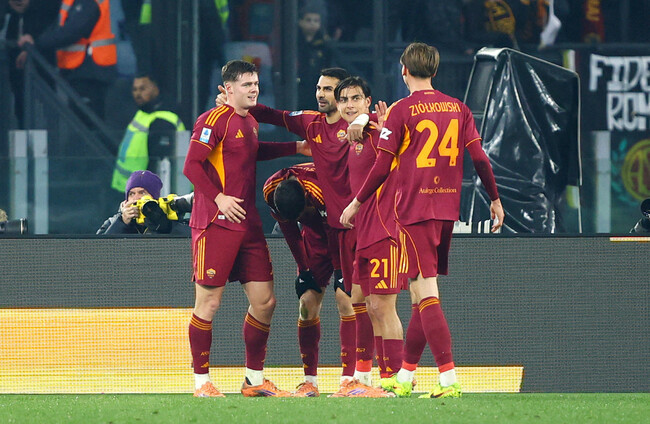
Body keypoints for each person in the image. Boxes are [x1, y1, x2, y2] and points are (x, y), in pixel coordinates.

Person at [340, 42, 505, 399]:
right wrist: (494, 198)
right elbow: (479, 158)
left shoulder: (402, 110)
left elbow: (381, 165)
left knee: (426, 292)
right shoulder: (458, 108)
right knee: (419, 295)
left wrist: (355, 203)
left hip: (415, 211)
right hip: (446, 210)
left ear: (404, 70)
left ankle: (448, 379)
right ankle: (405, 375)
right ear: (435, 69)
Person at [216, 67, 389, 397]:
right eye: (319, 88)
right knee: (308, 302)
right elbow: (273, 115)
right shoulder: (311, 124)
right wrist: (233, 102)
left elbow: (387, 133)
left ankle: (356, 378)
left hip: (356, 224)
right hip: (328, 229)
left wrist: (364, 119)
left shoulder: (360, 127)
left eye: (329, 90)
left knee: (353, 301)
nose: (321, 94)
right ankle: (311, 381)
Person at [183, 59, 310, 398]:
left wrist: (296, 148)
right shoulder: (211, 120)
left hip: (248, 223)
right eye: (246, 84)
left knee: (265, 302)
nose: (254, 89)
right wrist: (219, 198)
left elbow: (251, 152)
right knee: (208, 303)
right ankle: (201, 383)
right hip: (215, 223)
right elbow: (191, 165)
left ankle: (253, 380)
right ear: (228, 89)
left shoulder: (250, 121)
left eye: (255, 83)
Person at [334, 76, 410, 389]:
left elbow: (396, 143)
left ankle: (395, 381)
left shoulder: (380, 131)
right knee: (360, 302)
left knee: (383, 307)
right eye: (344, 100)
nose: (349, 105)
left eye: (356, 99)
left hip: (386, 230)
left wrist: (371, 119)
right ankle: (367, 379)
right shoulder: (353, 138)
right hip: (364, 233)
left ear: (367, 101)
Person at [262, 162, 353, 397]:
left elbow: (334, 231)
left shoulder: (319, 189)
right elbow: (291, 232)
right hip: (314, 237)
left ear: (306, 199)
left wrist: (340, 272)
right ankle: (309, 381)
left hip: (343, 232)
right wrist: (304, 269)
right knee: (306, 303)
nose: (301, 217)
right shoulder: (271, 191)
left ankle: (349, 379)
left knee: (345, 299)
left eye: (304, 213)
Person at [16, 0, 117, 119]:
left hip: (91, 72)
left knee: (88, 121)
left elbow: (72, 31)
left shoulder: (89, 2)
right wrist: (34, 45)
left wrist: (36, 44)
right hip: (78, 70)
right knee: (80, 119)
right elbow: (58, 28)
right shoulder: (70, 2)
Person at [110, 74, 185, 194]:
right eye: (135, 89)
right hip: (130, 187)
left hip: (148, 190)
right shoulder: (142, 113)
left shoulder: (163, 120)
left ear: (155, 88)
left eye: (142, 88)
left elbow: (159, 163)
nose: (138, 94)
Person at [1, 0, 60, 127]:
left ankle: (50, 135)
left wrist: (30, 3)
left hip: (41, 50)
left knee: (47, 100)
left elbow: (55, 6)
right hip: (15, 51)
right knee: (19, 99)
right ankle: (22, 131)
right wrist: (10, 3)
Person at [97, 170, 192, 235]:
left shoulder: (172, 217)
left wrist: (164, 225)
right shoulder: (112, 222)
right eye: (131, 194)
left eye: (142, 193)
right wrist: (122, 222)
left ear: (154, 198)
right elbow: (99, 251)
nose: (136, 198)